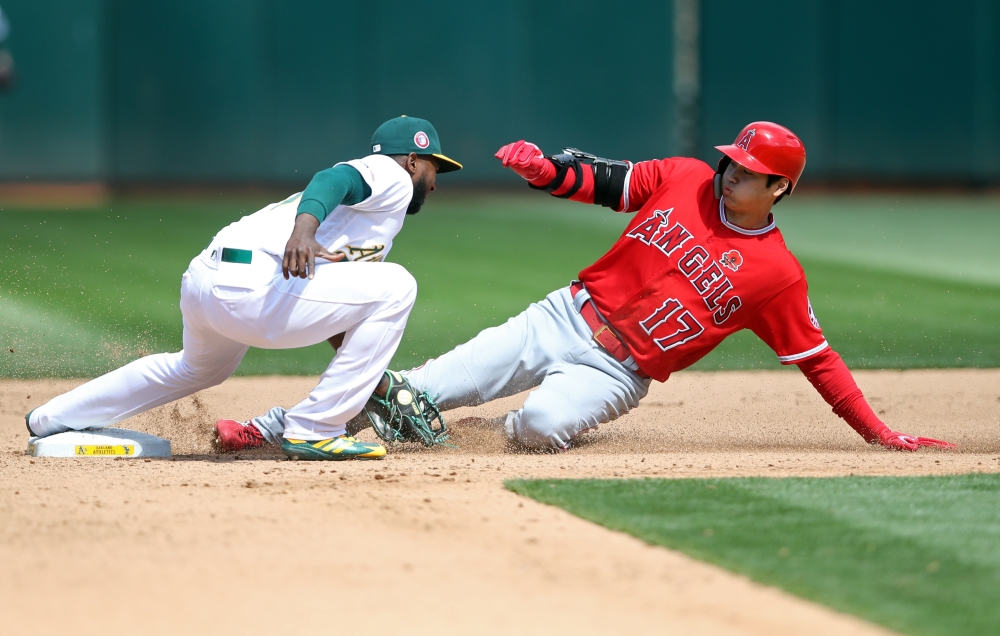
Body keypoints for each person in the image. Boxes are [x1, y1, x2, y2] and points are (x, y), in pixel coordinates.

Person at [219, 121, 954, 454]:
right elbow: (606, 181)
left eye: (748, 169)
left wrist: (878, 432)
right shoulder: (688, 179)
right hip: (560, 318)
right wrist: (546, 172)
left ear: (779, 187)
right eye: (731, 159)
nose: (729, 171)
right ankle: (272, 427)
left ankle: (484, 430)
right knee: (404, 389)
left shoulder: (776, 276)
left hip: (618, 371)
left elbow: (817, 359)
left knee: (537, 429)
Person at [26, 116, 462, 461]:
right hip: (252, 284)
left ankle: (51, 418)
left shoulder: (372, 223)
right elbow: (335, 178)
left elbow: (342, 317)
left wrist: (378, 384)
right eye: (433, 167)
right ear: (411, 161)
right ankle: (316, 429)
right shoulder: (393, 177)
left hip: (208, 280)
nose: (435, 180)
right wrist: (304, 230)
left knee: (196, 369)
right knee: (399, 285)